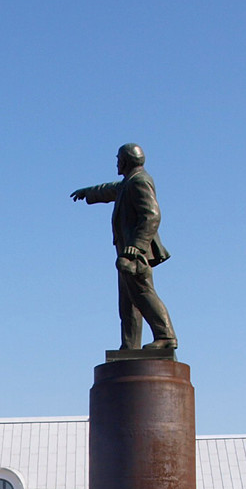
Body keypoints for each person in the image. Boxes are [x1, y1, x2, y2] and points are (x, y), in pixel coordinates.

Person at [71, 143, 178, 351]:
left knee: (142, 292)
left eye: (118, 158)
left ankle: (166, 336)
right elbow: (110, 189)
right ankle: (130, 346)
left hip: (135, 253)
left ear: (126, 160)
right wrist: (88, 193)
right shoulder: (127, 183)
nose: (116, 162)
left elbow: (152, 215)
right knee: (128, 302)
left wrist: (136, 247)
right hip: (126, 251)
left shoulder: (139, 181)